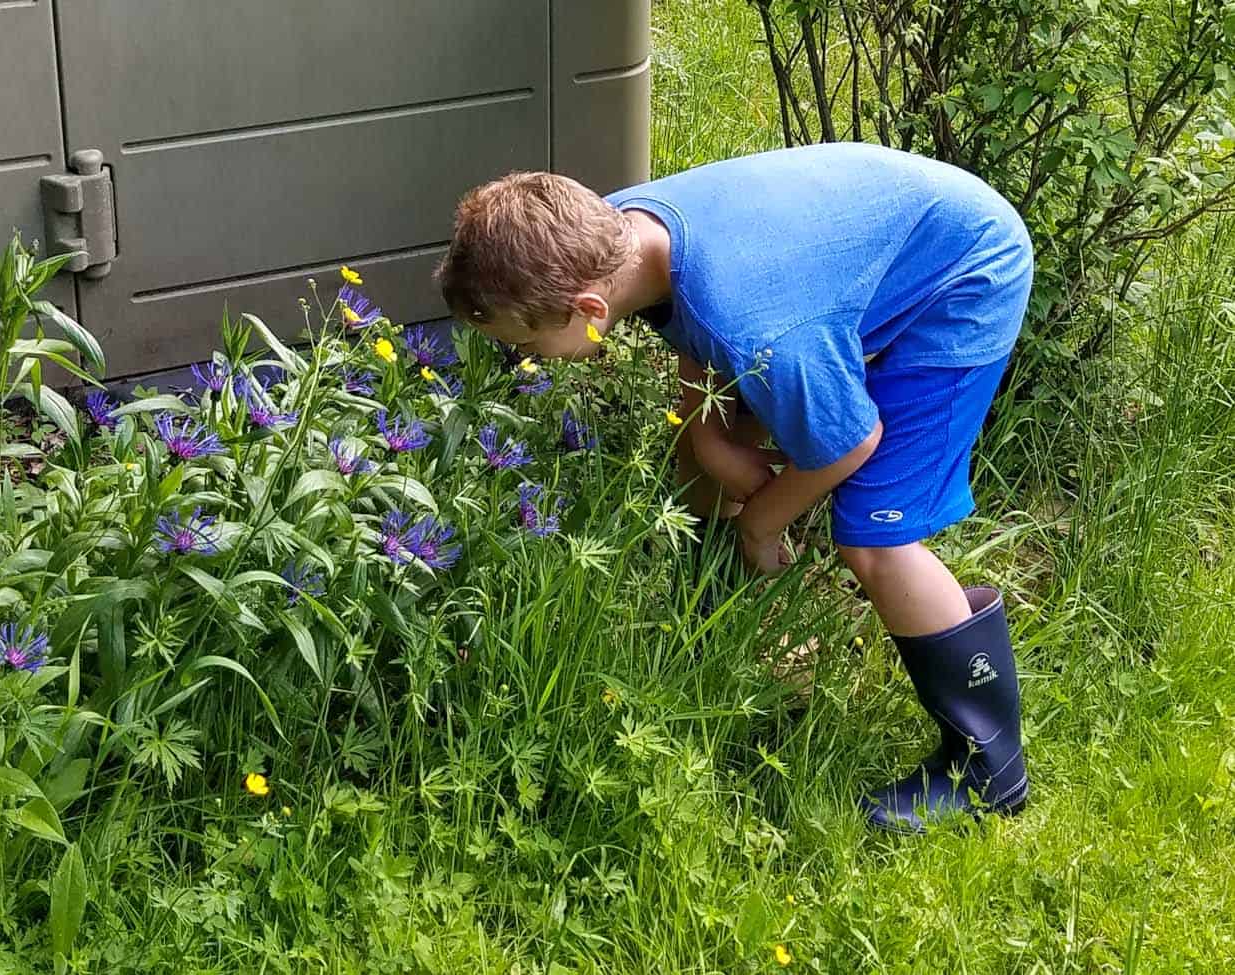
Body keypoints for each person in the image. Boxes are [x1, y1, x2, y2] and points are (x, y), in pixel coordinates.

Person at [433, 143, 1033, 834]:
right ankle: (725, 632)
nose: (524, 360)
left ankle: (990, 768)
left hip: (965, 278)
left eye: (526, 345)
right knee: (700, 455)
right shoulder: (622, 233)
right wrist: (711, 436)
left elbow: (850, 442)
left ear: (591, 308)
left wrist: (762, 523)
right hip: (869, 244)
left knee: (873, 536)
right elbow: (695, 309)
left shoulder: (756, 324)